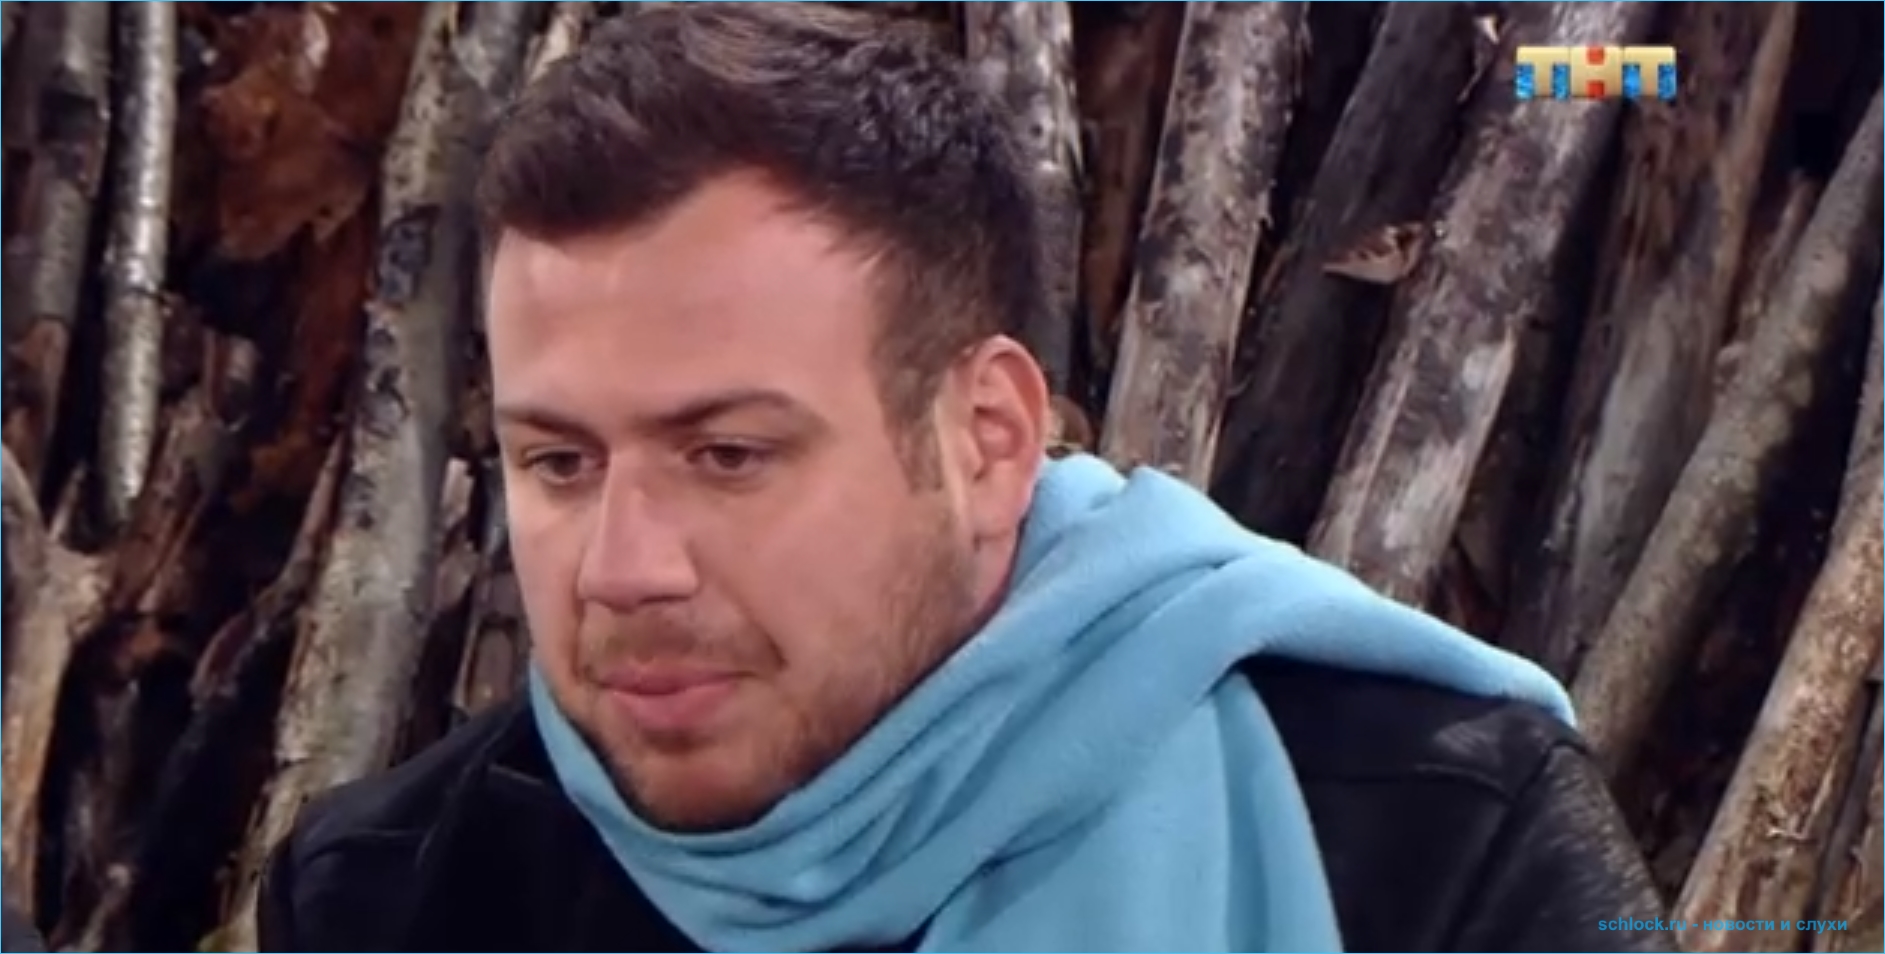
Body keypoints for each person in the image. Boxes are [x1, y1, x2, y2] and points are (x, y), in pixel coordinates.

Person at [257, 5, 1675, 951]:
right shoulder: (389, 894)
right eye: (560, 461)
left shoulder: (1429, 841)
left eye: (729, 455)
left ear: (987, 439)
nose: (624, 569)